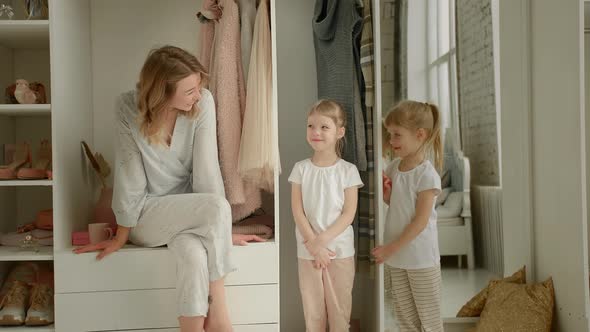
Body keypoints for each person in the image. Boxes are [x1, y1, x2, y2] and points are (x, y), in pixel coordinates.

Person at [74, 45, 264, 332]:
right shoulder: (126, 107)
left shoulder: (203, 104)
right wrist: (122, 235)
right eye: (189, 91)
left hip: (190, 212)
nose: (197, 95)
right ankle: (221, 312)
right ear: (162, 92)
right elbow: (129, 177)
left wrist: (219, 231)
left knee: (193, 255)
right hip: (146, 215)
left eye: (198, 87)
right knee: (215, 208)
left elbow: (207, 172)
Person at [289, 99, 363, 331]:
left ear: (339, 132)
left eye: (324, 127)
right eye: (311, 126)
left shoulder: (348, 171)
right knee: (313, 312)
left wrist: (320, 242)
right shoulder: (301, 169)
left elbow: (348, 214)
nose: (315, 132)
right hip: (308, 251)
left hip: (339, 251)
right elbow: (297, 211)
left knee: (340, 309)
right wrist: (314, 245)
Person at [372, 100, 444, 332]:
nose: (391, 141)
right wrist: (387, 194)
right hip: (397, 259)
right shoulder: (394, 167)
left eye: (396, 135)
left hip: (420, 259)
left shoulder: (427, 175)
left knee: (429, 320)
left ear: (420, 135)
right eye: (390, 135)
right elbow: (397, 204)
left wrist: (391, 248)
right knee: (405, 319)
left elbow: (420, 222)